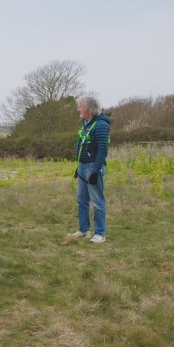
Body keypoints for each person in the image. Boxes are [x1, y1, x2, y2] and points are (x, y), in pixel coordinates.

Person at [67, 96, 111, 244]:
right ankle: (84, 230)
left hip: (93, 167)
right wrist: (78, 169)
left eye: (80, 106)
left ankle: (100, 234)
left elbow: (102, 150)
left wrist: (95, 171)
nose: (78, 109)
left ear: (89, 109)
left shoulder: (101, 125)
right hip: (82, 167)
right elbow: (84, 146)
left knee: (97, 201)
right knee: (82, 200)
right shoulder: (86, 123)